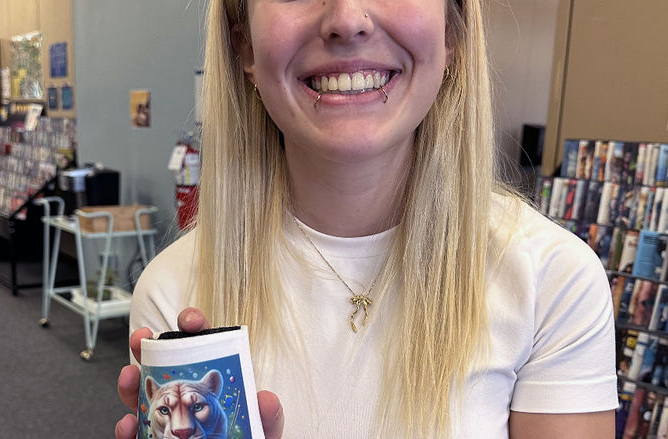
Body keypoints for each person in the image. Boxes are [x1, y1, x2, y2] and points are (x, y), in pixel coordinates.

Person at [116, 0, 618, 437]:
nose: (347, 20)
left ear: (453, 31)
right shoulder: (173, 290)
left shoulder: (553, 281)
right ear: (243, 44)